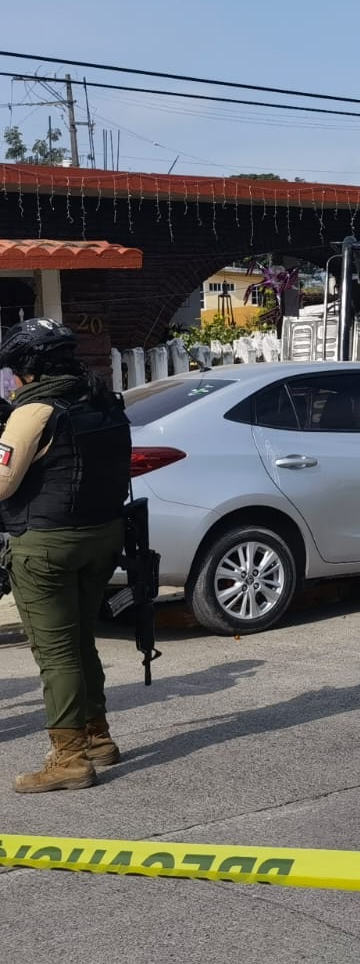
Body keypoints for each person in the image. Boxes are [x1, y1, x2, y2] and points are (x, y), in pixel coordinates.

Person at [0, 319, 133, 792]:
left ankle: (69, 758)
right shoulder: (103, 399)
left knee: (56, 654)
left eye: (15, 370)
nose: (14, 380)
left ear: (28, 369)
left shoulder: (33, 412)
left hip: (47, 546)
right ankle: (98, 738)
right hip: (103, 537)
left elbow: (2, 482)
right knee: (80, 642)